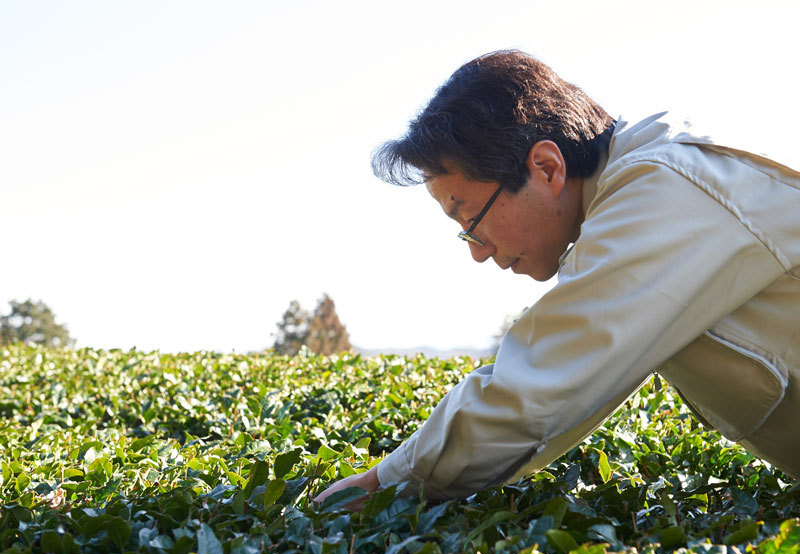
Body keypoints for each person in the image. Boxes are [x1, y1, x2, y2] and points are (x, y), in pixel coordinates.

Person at [315, 49, 800, 507]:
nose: (478, 253)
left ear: (546, 167)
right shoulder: (640, 190)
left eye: (470, 219)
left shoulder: (663, 192)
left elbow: (538, 388)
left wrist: (379, 485)